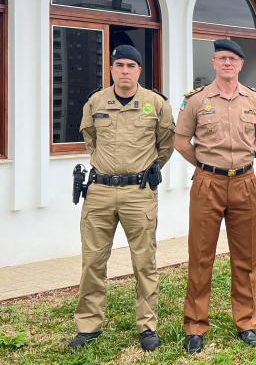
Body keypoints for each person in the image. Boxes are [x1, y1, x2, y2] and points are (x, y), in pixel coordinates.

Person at [70, 44, 175, 352]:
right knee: (93, 261)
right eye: (120, 65)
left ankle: (147, 326)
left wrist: (142, 170)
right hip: (100, 192)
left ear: (139, 70)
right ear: (112, 69)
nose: (125, 70)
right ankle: (88, 326)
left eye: (131, 65)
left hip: (138, 193)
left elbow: (165, 145)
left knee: (144, 261)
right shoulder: (96, 102)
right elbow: (90, 138)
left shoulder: (155, 104)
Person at [174, 39, 256, 354]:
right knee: (201, 257)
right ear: (214, 63)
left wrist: (249, 154)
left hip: (244, 183)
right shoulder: (196, 101)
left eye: (232, 58)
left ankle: (246, 322)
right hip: (208, 185)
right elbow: (180, 140)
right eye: (221, 58)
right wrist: (204, 166)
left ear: (241, 64)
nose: (227, 63)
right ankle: (195, 325)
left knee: (244, 258)